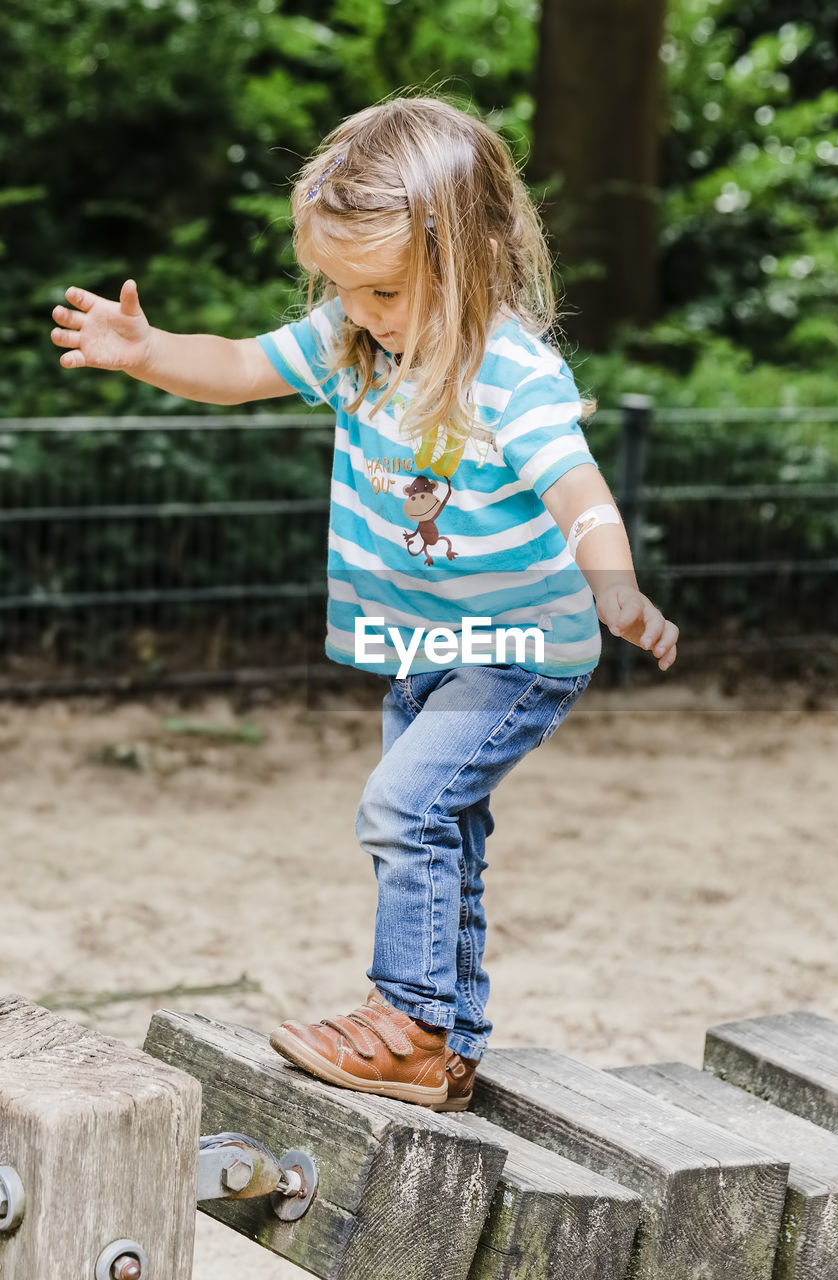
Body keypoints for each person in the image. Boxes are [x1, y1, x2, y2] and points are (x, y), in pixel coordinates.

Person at [50, 96, 678, 1111]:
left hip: (517, 643)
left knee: (402, 804)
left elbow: (578, 487)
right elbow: (242, 364)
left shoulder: (506, 374)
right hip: (424, 639)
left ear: (469, 255)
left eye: (384, 288)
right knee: (440, 817)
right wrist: (150, 349)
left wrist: (612, 579)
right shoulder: (354, 343)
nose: (363, 309)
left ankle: (412, 1021)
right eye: (344, 287)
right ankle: (445, 1036)